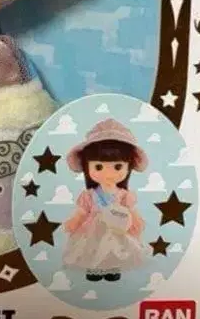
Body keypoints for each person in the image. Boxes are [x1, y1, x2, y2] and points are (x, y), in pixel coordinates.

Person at [62, 119, 148, 283]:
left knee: (116, 247)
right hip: (93, 229)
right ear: (87, 167)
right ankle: (94, 268)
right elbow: (82, 212)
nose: (108, 173)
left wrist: (135, 222)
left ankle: (112, 268)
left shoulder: (124, 195)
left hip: (117, 227)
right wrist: (74, 221)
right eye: (99, 167)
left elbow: (131, 211)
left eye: (117, 167)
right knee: (92, 247)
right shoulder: (89, 195)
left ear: (128, 167)